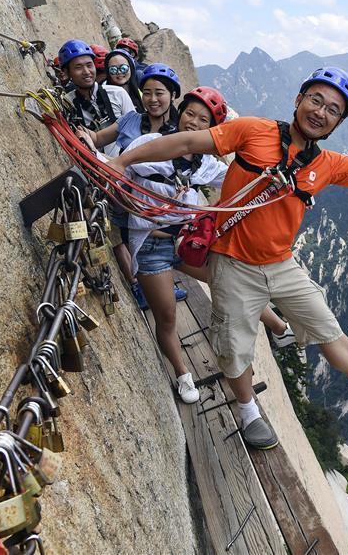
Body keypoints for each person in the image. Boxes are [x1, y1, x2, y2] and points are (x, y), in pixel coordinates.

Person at [108, 66, 348, 449]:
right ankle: (248, 412)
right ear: (298, 100)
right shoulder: (253, 131)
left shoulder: (326, 165)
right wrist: (121, 162)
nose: (321, 112)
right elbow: (184, 144)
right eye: (316, 100)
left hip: (281, 264)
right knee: (234, 346)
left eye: (333, 109)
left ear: (338, 122)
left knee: (325, 324)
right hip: (234, 262)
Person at [100, 85, 295, 403]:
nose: (192, 122)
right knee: (167, 317)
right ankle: (182, 375)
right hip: (151, 244)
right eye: (189, 113)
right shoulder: (149, 144)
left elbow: (242, 180)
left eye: (203, 119)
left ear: (211, 129)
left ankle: (278, 326)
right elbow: (119, 172)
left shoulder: (207, 165)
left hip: (186, 243)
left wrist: (271, 177)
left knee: (231, 283)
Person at [78, 63, 186, 308]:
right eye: (147, 93)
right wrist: (86, 136)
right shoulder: (131, 120)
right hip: (120, 195)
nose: (152, 99)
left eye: (159, 93)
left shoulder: (180, 133)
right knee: (119, 237)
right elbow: (99, 138)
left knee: (153, 247)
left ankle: (158, 286)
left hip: (153, 205)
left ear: (172, 95)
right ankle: (139, 286)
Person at [58, 39, 135, 150]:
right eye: (78, 67)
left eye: (89, 65)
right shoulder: (67, 103)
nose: (86, 71)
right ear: (66, 72)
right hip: (93, 164)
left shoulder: (118, 94)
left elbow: (134, 132)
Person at [103, 48, 144, 113]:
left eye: (123, 68)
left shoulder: (141, 93)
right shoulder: (103, 96)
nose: (119, 72)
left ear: (131, 68)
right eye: (113, 69)